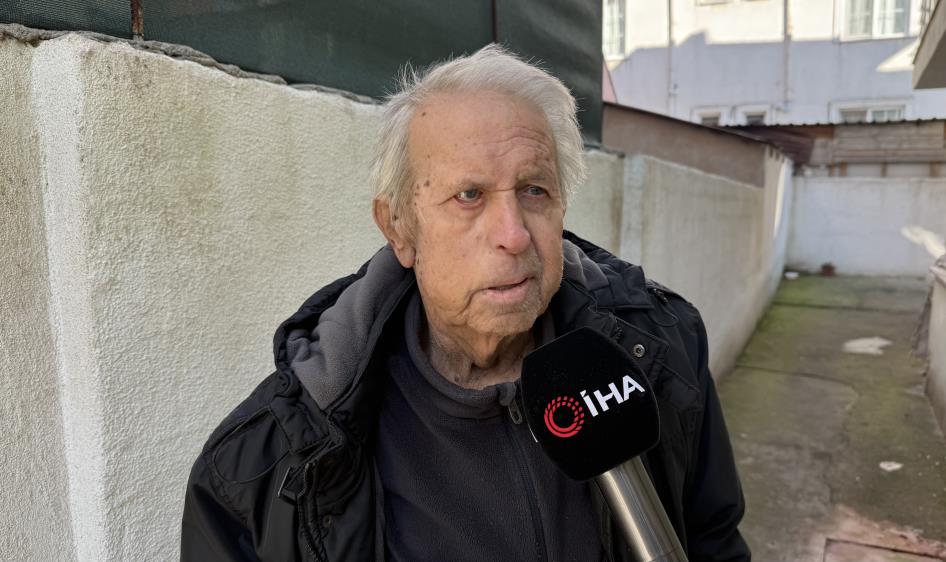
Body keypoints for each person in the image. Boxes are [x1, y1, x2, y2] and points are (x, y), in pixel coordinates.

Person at [181, 44, 750, 562]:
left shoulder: (663, 349)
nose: (515, 235)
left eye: (534, 190)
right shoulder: (260, 470)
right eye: (469, 195)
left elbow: (713, 542)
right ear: (399, 228)